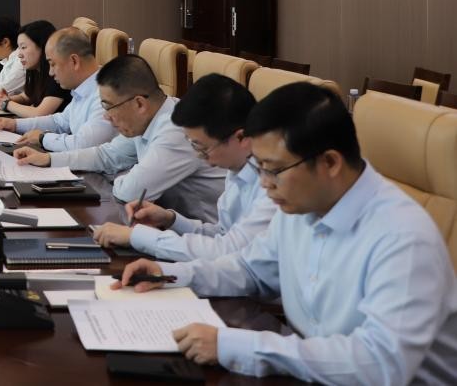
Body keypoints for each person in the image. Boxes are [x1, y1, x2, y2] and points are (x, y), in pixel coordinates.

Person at [118, 83, 457, 384]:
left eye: (274, 170)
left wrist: (239, 346)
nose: (265, 184)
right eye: (260, 167)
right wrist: (171, 274)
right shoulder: (300, 206)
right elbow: (250, 270)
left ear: (330, 163)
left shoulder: (402, 237)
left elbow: (381, 364)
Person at [14, 54, 225, 222]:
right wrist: (49, 159)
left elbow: (130, 192)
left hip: (203, 238)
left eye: (109, 107)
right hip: (168, 223)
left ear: (139, 103)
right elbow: (107, 155)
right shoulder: (148, 118)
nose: (106, 117)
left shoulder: (176, 130)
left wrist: (126, 175)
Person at [92, 73, 276, 261]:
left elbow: (228, 250)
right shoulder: (237, 167)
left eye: (203, 148)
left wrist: (137, 237)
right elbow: (222, 233)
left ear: (241, 138)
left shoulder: (272, 185)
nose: (202, 158)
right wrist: (170, 219)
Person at [0, 27, 115, 156]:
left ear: (74, 61)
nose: (51, 72)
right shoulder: (83, 88)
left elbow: (84, 145)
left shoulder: (106, 94)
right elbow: (59, 122)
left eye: (53, 64)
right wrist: (14, 124)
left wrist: (43, 138)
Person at [0, 20, 70, 117]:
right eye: (19, 48)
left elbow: (39, 113)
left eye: (23, 47)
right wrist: (4, 99)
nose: (19, 55)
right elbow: (26, 97)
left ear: (43, 46)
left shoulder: (56, 74)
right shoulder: (36, 71)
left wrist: (6, 103)